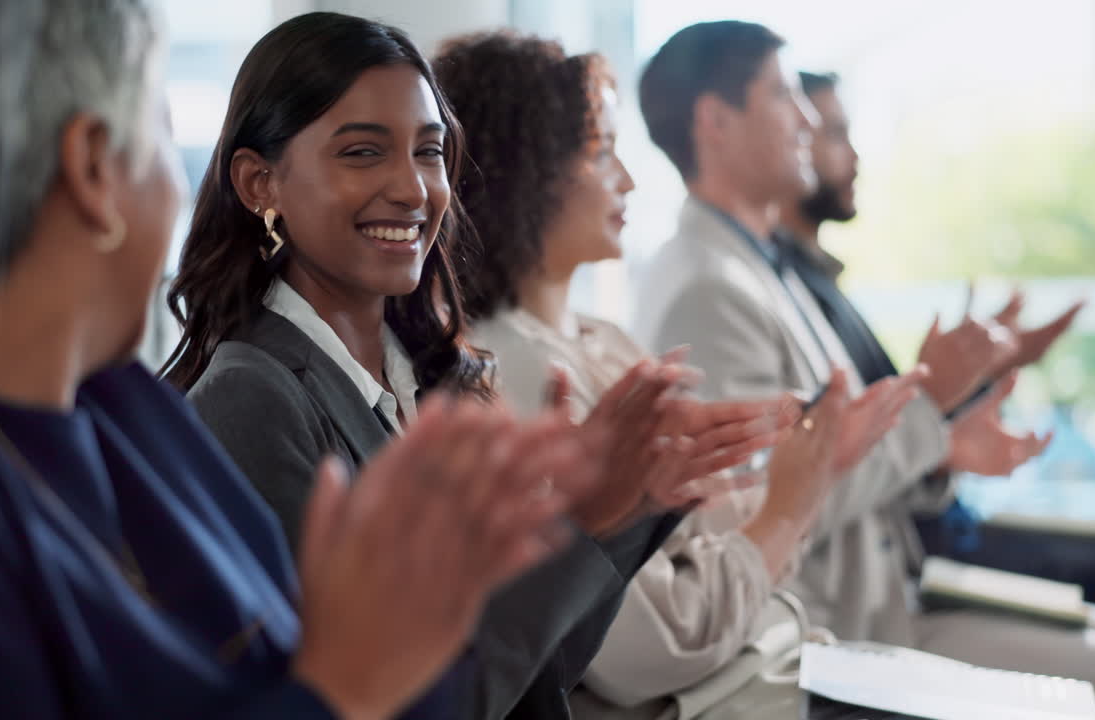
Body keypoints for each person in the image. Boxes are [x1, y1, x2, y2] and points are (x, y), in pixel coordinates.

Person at [0, 1, 608, 718]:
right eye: (162, 136)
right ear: (92, 167)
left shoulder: (127, 418)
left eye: (428, 150)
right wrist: (344, 688)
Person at [163, 13, 752, 720]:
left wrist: (631, 504)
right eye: (361, 152)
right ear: (261, 184)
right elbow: (398, 704)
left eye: (430, 151)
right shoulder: (248, 401)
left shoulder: (437, 376)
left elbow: (539, 670)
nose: (414, 189)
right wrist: (581, 524)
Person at [635, 20, 1095, 719]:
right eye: (783, 96)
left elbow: (834, 466)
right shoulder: (706, 289)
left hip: (895, 597)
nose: (805, 119)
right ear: (715, 120)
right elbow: (772, 506)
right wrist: (932, 407)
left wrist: (943, 443)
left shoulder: (766, 267)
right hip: (840, 638)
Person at [433, 31, 927, 717]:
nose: (631, 180)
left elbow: (702, 537)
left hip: (777, 664)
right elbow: (648, 645)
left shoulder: (603, 342)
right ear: (527, 169)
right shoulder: (510, 372)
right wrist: (786, 509)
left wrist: (795, 482)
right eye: (602, 152)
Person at [779, 68, 1095, 719]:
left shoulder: (809, 282)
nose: (845, 151)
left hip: (921, 564)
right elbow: (824, 473)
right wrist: (941, 409)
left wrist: (969, 390)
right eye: (832, 131)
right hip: (887, 599)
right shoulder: (750, 285)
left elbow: (885, 440)